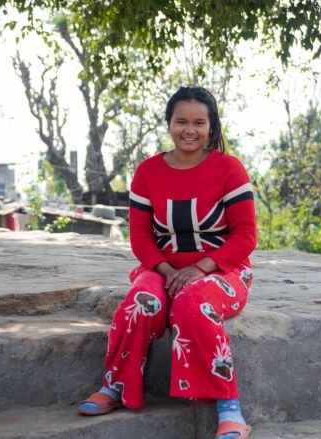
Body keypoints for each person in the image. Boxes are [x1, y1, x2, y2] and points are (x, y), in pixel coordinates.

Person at [78, 86, 257, 439]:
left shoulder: (230, 170)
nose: (189, 130)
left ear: (211, 127)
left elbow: (245, 237)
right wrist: (167, 271)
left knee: (193, 304)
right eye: (181, 121)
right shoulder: (148, 172)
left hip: (222, 270)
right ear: (169, 124)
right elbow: (141, 238)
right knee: (141, 304)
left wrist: (201, 268)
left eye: (199, 122)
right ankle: (115, 386)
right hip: (162, 268)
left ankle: (229, 407)